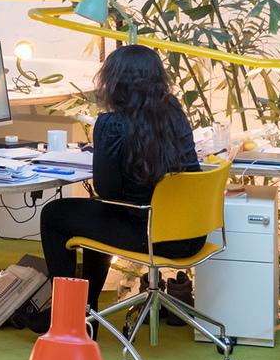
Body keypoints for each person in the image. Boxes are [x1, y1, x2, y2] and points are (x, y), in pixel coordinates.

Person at [26, 44, 202, 331]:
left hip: (148, 233)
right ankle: (86, 311)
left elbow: (106, 191)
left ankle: (65, 314)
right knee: (101, 216)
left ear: (115, 82)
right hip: (190, 233)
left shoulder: (112, 124)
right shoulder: (174, 110)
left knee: (55, 215)